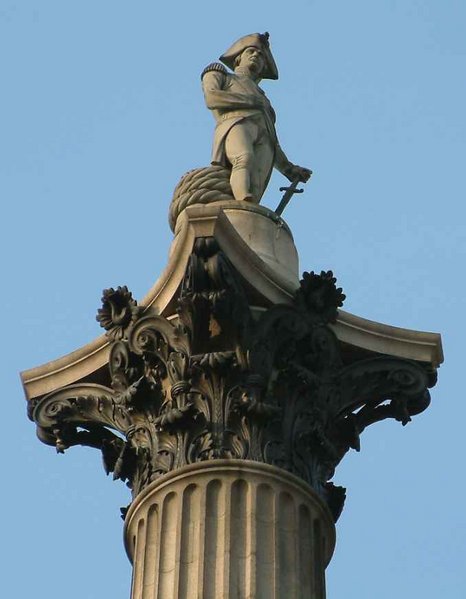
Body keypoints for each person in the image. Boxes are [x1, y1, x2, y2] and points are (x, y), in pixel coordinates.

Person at [201, 32, 311, 204]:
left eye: (260, 55)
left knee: (257, 179)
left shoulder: (264, 100)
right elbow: (212, 98)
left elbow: (273, 140)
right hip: (236, 122)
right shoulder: (222, 74)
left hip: (264, 138)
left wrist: (289, 169)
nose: (256, 56)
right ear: (238, 57)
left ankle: (249, 209)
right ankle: (242, 199)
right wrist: (251, 101)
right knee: (243, 158)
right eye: (250, 51)